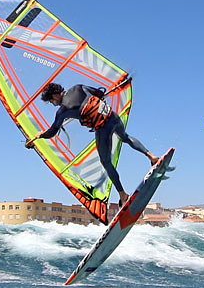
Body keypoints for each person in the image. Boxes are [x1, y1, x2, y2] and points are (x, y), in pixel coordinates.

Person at [26, 82, 160, 207]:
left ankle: (123, 195)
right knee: (125, 137)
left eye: (52, 101)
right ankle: (151, 156)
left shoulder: (63, 110)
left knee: (106, 162)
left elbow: (52, 132)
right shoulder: (78, 87)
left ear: (55, 95)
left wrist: (40, 135)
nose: (54, 104)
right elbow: (99, 93)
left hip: (103, 128)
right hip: (112, 117)